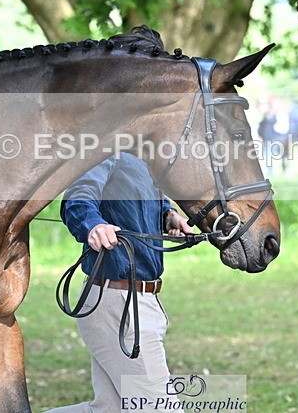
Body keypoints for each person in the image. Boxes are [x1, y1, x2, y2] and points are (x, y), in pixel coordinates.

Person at [48, 153, 193, 412]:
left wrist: (168, 214)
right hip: (118, 304)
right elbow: (77, 197)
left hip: (141, 302)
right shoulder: (107, 149)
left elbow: (142, 199)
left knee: (109, 409)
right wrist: (94, 226)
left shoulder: (144, 156)